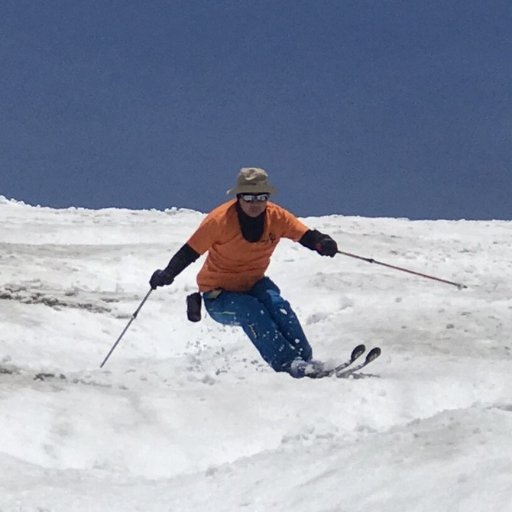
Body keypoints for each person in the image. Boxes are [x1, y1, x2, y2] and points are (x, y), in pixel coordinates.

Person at [150, 167, 338, 378]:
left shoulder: (276, 217)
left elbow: (304, 234)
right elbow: (189, 252)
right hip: (219, 295)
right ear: (239, 197)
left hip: (254, 284)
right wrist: (168, 273)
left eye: (261, 197)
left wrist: (322, 242)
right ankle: (287, 363)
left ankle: (305, 359)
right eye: (248, 197)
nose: (255, 203)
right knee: (251, 310)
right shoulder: (219, 221)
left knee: (278, 306)